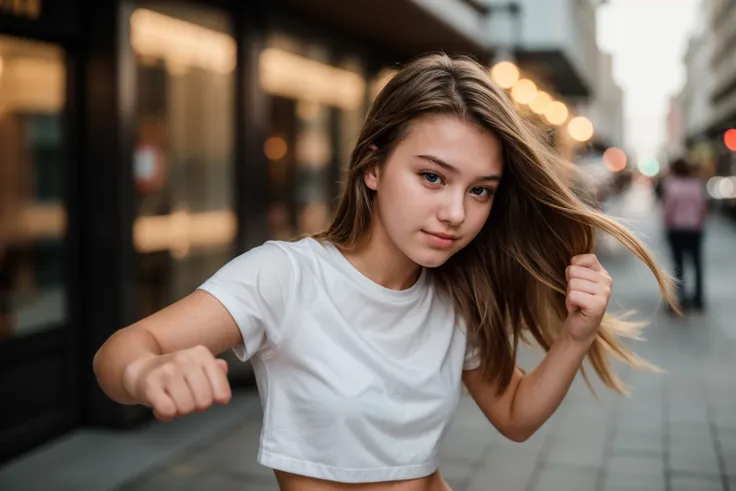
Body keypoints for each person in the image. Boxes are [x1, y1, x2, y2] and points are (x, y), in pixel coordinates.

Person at [93, 54, 677, 491]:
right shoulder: (286, 277)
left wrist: (576, 335)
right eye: (431, 176)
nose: (456, 213)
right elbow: (120, 351)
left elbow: (515, 418)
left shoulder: (456, 292)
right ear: (373, 168)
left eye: (480, 190)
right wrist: (148, 374)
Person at [661, 157, 707, 311]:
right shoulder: (695, 185)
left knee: (678, 265)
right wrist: (700, 224)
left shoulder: (672, 185)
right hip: (694, 229)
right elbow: (702, 207)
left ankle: (680, 300)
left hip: (677, 230)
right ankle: (699, 299)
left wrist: (667, 226)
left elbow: (668, 209)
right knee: (697, 264)